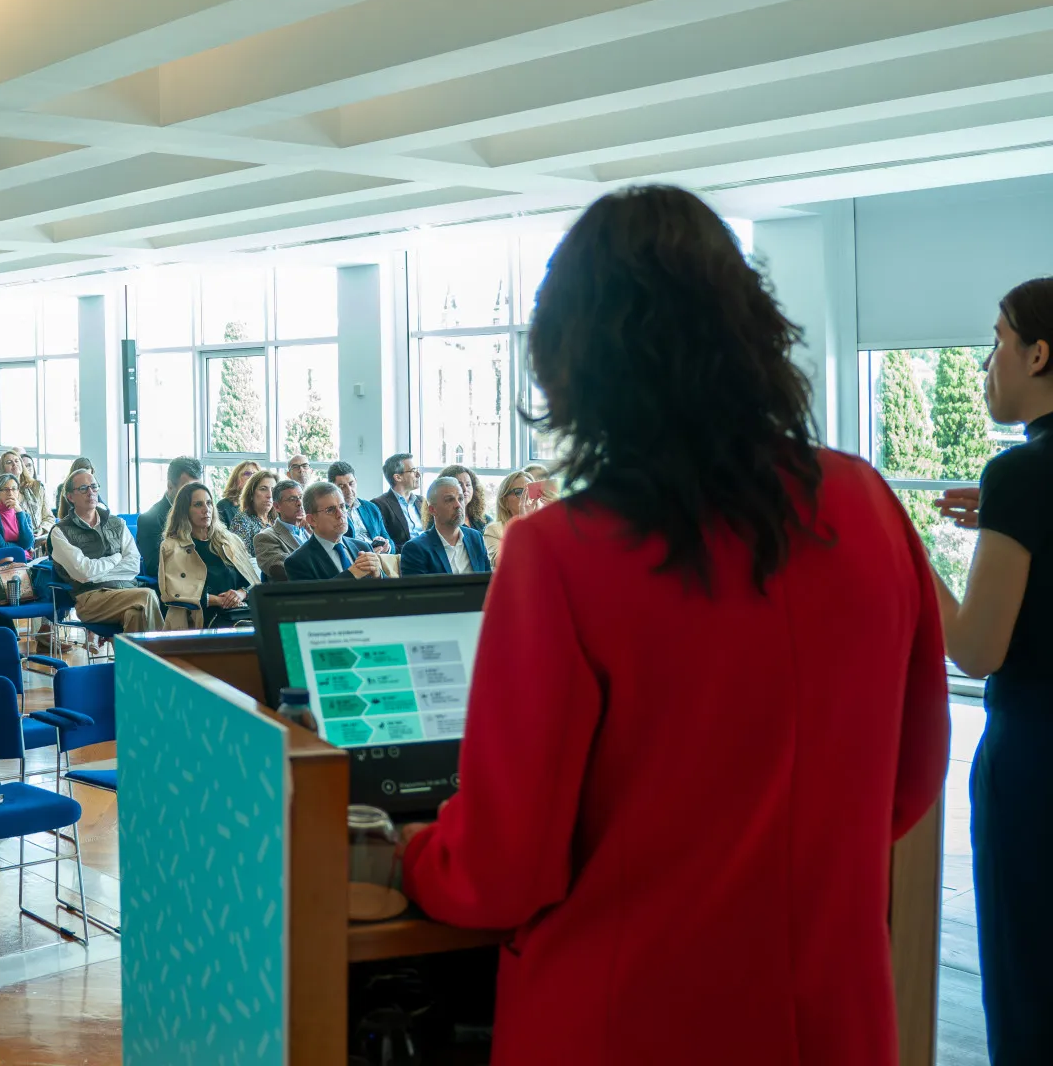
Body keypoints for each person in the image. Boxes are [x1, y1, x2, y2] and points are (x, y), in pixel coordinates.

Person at [398, 184, 949, 1066]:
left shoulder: (559, 555)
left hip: (630, 1020)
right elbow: (910, 782)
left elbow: (505, 866)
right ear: (750, 329)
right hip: (837, 1017)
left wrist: (416, 852)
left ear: (572, 361)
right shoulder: (873, 507)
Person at [926, 277, 1053, 1063]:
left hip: (1037, 759)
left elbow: (976, 648)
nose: (986, 366)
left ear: (1040, 353)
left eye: (997, 344)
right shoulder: (1019, 486)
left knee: (1030, 983)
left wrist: (904, 552)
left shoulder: (1021, 475)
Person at [49, 468, 163, 633]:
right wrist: (116, 558)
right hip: (91, 599)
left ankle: (129, 660)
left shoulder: (117, 523)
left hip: (127, 591)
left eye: (94, 487)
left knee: (135, 615)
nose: (91, 492)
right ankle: (160, 656)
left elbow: (133, 566)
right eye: (83, 488)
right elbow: (84, 573)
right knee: (148, 595)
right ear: (70, 497)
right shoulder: (60, 531)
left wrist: (96, 572)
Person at [157, 482, 259, 628]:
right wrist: (218, 600)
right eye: (198, 505)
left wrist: (241, 594)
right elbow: (174, 591)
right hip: (201, 615)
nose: (206, 510)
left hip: (239, 611)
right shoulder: (171, 547)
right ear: (185, 511)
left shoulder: (231, 540)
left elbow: (253, 582)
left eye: (209, 503)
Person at [282, 481, 383, 581]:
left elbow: (387, 591)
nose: (340, 514)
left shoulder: (363, 547)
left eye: (342, 506)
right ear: (312, 520)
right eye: (330, 510)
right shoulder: (297, 562)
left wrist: (379, 575)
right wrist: (351, 574)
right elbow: (314, 596)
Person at [399, 476, 491, 576]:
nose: (458, 505)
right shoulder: (416, 549)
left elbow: (488, 582)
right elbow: (418, 591)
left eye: (460, 499)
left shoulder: (475, 538)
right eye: (449, 500)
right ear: (432, 510)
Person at [135, 456, 201, 581]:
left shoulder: (204, 513)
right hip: (179, 586)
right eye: (187, 489)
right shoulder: (149, 520)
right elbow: (154, 567)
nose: (194, 495)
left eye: (198, 488)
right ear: (170, 487)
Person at [252, 478, 310, 580]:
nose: (300, 503)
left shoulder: (313, 530)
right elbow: (287, 571)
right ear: (277, 506)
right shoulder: (265, 537)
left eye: (301, 497)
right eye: (292, 499)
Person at [328, 461, 390, 548]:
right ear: (332, 487)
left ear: (356, 481)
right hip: (355, 558)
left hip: (380, 556)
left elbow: (389, 540)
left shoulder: (371, 507)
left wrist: (387, 547)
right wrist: (369, 552)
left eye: (351, 484)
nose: (349, 491)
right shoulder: (332, 513)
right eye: (342, 486)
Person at [481, 470, 533, 568]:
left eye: (530, 491)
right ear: (504, 501)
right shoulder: (494, 530)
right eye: (519, 492)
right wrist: (523, 524)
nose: (526, 496)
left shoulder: (544, 527)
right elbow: (501, 563)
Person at [371, 453, 426, 546]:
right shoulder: (379, 505)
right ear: (398, 477)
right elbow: (387, 545)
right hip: (406, 556)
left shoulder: (422, 501)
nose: (418, 474)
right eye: (413, 471)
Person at [0, 475, 36, 552]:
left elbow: (28, 544)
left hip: (26, 560)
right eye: (6, 489)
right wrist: (23, 547)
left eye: (13, 489)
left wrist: (19, 512)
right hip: (2, 561)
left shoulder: (24, 515)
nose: (10, 493)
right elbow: (0, 547)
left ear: (18, 492)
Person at [228, 467, 281, 546]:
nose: (270, 495)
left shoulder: (278, 519)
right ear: (251, 493)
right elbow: (240, 556)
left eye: (273, 490)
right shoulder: (242, 521)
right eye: (263, 489)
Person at [438, 463, 489, 531]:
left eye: (468, 485)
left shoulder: (484, 520)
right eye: (459, 484)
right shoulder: (442, 521)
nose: (465, 489)